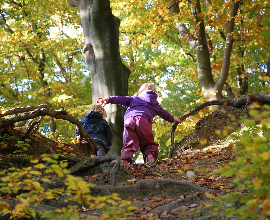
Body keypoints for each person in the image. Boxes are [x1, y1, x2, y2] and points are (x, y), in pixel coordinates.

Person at [96, 83, 181, 164]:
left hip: (129, 120)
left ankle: (125, 161)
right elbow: (163, 113)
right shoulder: (154, 103)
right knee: (148, 143)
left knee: (129, 143)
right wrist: (173, 118)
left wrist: (108, 99)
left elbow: (120, 99)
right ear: (154, 93)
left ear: (140, 91)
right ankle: (150, 158)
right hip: (143, 120)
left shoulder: (134, 98)